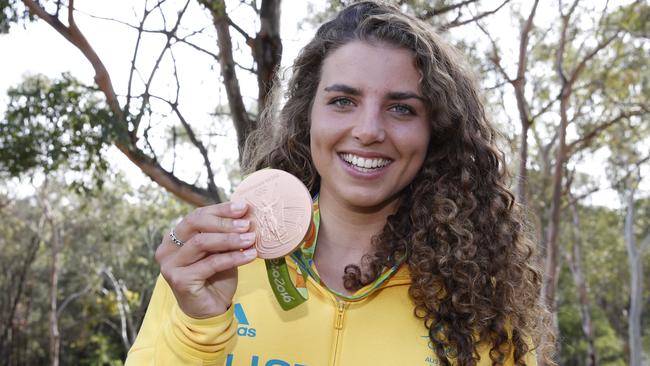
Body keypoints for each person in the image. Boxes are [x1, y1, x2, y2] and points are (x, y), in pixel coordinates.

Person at [126, 1, 553, 365]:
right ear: (307, 115)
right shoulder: (210, 264)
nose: (368, 130)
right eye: (343, 101)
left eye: (402, 109)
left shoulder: (478, 301)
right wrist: (198, 328)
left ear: (435, 132)